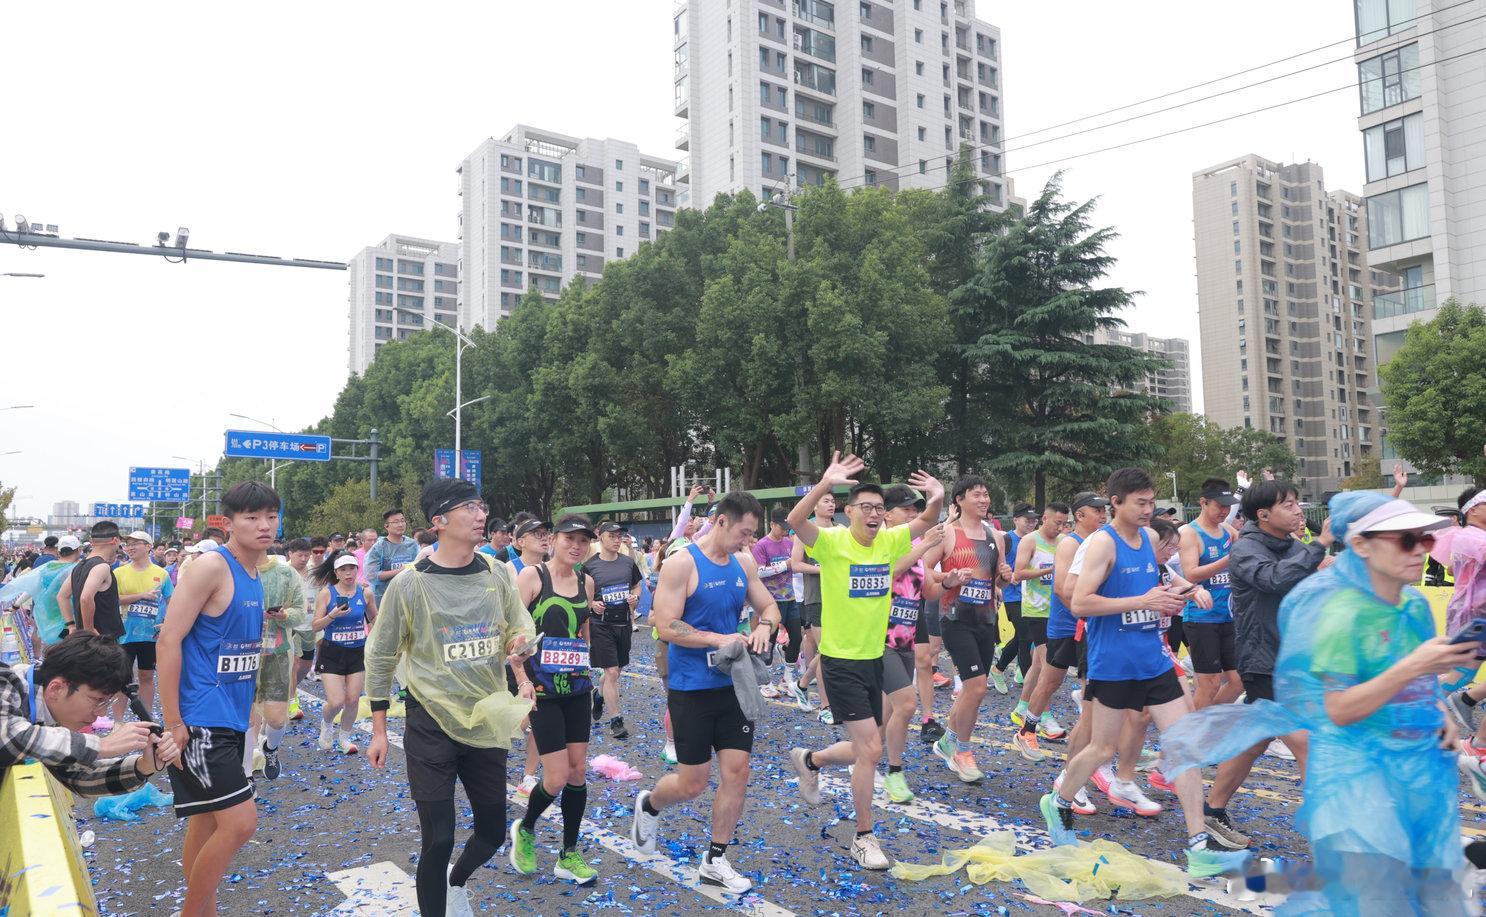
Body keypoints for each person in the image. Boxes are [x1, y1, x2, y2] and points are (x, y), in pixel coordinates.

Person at [1162, 492, 1475, 913]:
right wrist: (1415, 665)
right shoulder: (1339, 611)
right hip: (1356, 781)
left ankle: (1239, 841)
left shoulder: (1413, 602)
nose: (1420, 550)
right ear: (1361, 544)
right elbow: (1336, 709)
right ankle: (1233, 836)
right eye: (1405, 539)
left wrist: (1441, 713)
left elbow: (1419, 679)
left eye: (1425, 540)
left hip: (1416, 779)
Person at [1040, 467, 1248, 878]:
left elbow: (1161, 581)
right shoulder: (1102, 543)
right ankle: (1059, 800)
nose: (1149, 510)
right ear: (1115, 502)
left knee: (1183, 744)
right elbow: (1080, 602)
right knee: (1103, 749)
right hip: (1113, 662)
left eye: (1152, 502)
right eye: (1141, 503)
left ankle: (1198, 845)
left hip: (1152, 660)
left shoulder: (1152, 538)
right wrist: (1145, 600)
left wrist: (1182, 592)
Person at [365, 479, 536, 917]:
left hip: (485, 717)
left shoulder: (497, 572)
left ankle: (456, 881)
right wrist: (380, 729)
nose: (481, 514)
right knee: (438, 838)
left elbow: (518, 623)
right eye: (468, 507)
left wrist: (520, 644)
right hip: (430, 722)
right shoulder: (409, 585)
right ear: (439, 522)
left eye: (481, 505)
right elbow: (381, 655)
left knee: (494, 831)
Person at [785, 455, 944, 869]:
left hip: (875, 658)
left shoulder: (890, 542)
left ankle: (811, 759)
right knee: (871, 749)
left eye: (878, 508)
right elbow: (795, 520)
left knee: (862, 749)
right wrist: (824, 484)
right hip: (840, 662)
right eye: (865, 507)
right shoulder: (832, 541)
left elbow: (926, 522)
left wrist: (939, 496)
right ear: (849, 511)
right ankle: (864, 837)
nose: (873, 514)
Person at [631, 490, 782, 894]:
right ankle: (650, 804)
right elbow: (665, 626)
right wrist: (720, 638)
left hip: (733, 686)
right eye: (744, 533)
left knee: (737, 772)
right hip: (691, 689)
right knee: (692, 783)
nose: (748, 542)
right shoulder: (682, 563)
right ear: (721, 522)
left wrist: (765, 626)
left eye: (753, 535)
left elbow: (769, 607)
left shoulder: (744, 563)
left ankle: (716, 858)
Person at [157, 481, 279, 917]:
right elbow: (169, 640)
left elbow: (238, 653)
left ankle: (201, 908)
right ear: (228, 523)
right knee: (241, 822)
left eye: (270, 516)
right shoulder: (212, 566)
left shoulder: (254, 573)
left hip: (230, 718)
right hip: (200, 719)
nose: (264, 525)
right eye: (251, 517)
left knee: (206, 819)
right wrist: (173, 721)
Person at [1203, 478, 1330, 840]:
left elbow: (1304, 581)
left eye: (1296, 503)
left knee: (1256, 739)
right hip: (1263, 660)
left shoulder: (1291, 544)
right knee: (1307, 743)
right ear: (1263, 514)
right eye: (1288, 505)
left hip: (1293, 658)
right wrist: (1319, 546)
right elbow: (1274, 580)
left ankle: (1212, 812)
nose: (1297, 510)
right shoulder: (1246, 549)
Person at [509, 515, 600, 885]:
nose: (576, 546)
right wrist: (521, 682)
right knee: (558, 776)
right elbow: (513, 635)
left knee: (578, 772)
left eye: (583, 540)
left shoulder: (586, 580)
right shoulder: (532, 577)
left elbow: (581, 629)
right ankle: (526, 829)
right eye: (569, 539)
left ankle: (569, 854)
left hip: (576, 689)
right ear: (553, 540)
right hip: (542, 691)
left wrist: (586, 659)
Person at [1, 633, 180, 793]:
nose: (101, 714)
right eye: (97, 700)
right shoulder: (5, 681)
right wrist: (102, 745)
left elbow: (79, 776)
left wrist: (144, 766)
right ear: (56, 689)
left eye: (107, 702)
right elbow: (9, 738)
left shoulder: (48, 712)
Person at [922, 475, 1012, 783]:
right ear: (959, 499)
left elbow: (996, 581)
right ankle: (962, 751)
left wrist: (1004, 576)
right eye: (977, 495)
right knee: (976, 686)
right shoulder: (947, 533)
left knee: (975, 689)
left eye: (986, 495)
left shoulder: (995, 536)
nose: (985, 500)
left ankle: (948, 739)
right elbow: (925, 573)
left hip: (986, 619)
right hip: (954, 616)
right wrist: (949, 579)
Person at [1178, 479, 1243, 709]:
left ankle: (1205, 723)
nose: (1225, 511)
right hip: (1201, 618)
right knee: (1210, 684)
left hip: (1228, 616)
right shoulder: (1189, 533)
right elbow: (1191, 573)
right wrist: (1226, 560)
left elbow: (1245, 550)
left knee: (1239, 681)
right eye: (1220, 506)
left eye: (1228, 506)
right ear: (1203, 503)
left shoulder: (1227, 530)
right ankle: (1193, 734)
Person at [1010, 503, 1068, 755]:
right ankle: (1044, 717)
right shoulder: (1030, 541)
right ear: (1045, 519)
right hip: (1035, 610)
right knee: (1049, 666)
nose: (1060, 527)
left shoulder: (1066, 541)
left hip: (1057, 610)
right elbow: (1018, 573)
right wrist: (1049, 570)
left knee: (1037, 664)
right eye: (1057, 522)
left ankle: (1023, 706)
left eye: (1064, 523)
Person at [310, 550, 377, 754]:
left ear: (357, 570)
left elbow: (374, 618)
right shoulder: (327, 593)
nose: (348, 573)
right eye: (343, 569)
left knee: (353, 699)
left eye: (352, 568)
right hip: (332, 652)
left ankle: (345, 737)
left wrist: (372, 637)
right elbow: (315, 626)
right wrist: (332, 615)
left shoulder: (365, 592)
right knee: (336, 701)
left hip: (357, 651)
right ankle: (327, 724)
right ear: (336, 572)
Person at [246, 551, 305, 779]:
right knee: (245, 718)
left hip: (276, 655)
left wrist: (283, 615)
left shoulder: (285, 573)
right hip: (239, 655)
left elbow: (300, 612)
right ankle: (246, 775)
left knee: (277, 720)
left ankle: (270, 748)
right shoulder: (228, 569)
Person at [584, 521, 642, 740]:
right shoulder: (590, 566)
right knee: (611, 672)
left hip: (623, 623)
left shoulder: (628, 563)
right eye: (613, 536)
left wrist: (635, 597)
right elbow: (581, 593)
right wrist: (591, 605)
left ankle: (598, 695)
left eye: (620, 537)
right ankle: (616, 720)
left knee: (615, 672)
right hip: (600, 624)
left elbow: (637, 585)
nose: (617, 540)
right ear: (601, 537)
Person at [1440, 487, 1486, 751]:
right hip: (1474, 615)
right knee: (1460, 673)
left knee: (1462, 673)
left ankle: (1466, 701)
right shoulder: (1469, 535)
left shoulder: (1472, 536)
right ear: (1473, 509)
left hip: (1476, 612)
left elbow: (1450, 567)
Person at [115, 530, 174, 723]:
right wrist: (140, 596)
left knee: (147, 676)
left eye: (135, 543)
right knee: (122, 679)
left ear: (148, 547)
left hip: (151, 635)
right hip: (124, 634)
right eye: (128, 544)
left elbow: (172, 601)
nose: (130, 547)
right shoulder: (119, 572)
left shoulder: (162, 574)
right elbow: (112, 600)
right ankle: (117, 721)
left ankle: (147, 720)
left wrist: (167, 624)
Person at [788, 490, 836, 718]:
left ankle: (803, 682)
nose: (831, 504)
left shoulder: (841, 531)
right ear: (814, 507)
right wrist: (820, 569)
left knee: (833, 650)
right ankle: (825, 707)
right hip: (816, 596)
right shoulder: (805, 532)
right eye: (825, 501)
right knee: (826, 650)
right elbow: (795, 564)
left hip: (839, 598)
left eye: (833, 501)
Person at [991, 506, 1039, 694]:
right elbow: (996, 567)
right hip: (1012, 597)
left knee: (1022, 637)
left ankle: (998, 669)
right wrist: (997, 587)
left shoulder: (1036, 540)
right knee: (1026, 636)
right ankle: (1029, 684)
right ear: (1016, 520)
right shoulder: (1008, 540)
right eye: (1027, 519)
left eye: (1034, 520)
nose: (1031, 523)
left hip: (1032, 598)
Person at [751, 511, 800, 697]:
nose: (785, 532)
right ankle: (765, 681)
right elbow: (759, 572)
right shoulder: (762, 545)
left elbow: (795, 565)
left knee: (796, 637)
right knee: (768, 642)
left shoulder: (790, 543)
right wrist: (784, 565)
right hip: (771, 600)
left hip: (790, 598)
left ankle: (788, 678)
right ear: (772, 524)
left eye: (787, 528)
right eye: (781, 528)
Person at [283, 538, 317, 723]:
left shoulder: (314, 571)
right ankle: (292, 702)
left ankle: (289, 690)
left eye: (307, 555)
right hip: (290, 623)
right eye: (300, 555)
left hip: (310, 624)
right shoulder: (284, 571)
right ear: (290, 554)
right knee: (294, 663)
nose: (304, 559)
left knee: (305, 665)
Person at [32, 535, 82, 646]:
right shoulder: (76, 568)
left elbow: (33, 587)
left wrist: (16, 605)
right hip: (70, 619)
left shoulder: (48, 567)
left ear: (58, 551)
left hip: (50, 618)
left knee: (55, 651)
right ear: (78, 550)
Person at [364, 509, 420, 603]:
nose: (400, 524)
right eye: (396, 522)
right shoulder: (379, 548)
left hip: (410, 596)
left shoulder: (413, 545)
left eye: (402, 521)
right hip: (386, 598)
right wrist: (400, 570)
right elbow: (372, 575)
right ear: (386, 526)